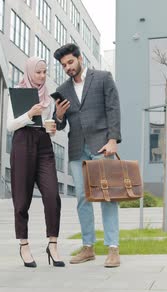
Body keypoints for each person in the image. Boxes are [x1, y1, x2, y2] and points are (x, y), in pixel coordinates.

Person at [52, 44, 122, 268]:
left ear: (80, 59)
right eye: (64, 65)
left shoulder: (102, 78)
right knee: (82, 197)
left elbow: (113, 109)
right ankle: (88, 247)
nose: (68, 68)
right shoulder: (62, 89)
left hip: (101, 145)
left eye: (71, 62)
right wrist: (59, 115)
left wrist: (113, 140)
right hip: (76, 149)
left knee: (107, 196)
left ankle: (113, 248)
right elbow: (60, 124)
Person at [7, 57, 64, 268]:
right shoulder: (17, 92)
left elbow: (50, 125)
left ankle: (53, 244)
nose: (41, 76)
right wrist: (29, 114)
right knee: (22, 198)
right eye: (38, 72)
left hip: (43, 144)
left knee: (52, 195)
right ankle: (24, 244)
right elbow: (10, 125)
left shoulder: (48, 96)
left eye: (44, 72)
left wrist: (53, 129)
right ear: (30, 72)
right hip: (22, 143)